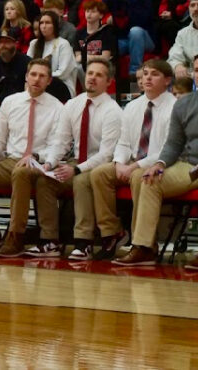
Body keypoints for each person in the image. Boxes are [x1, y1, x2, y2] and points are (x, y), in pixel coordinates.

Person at [0, 59, 64, 256]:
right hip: (10, 160)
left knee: (21, 172)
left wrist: (37, 156)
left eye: (42, 76)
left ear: (49, 81)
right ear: (26, 76)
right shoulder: (10, 102)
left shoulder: (57, 108)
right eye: (33, 74)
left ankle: (16, 236)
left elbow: (57, 146)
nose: (36, 79)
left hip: (39, 163)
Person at [116, 53, 198, 269]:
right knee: (149, 179)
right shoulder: (183, 105)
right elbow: (174, 144)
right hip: (189, 165)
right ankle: (144, 247)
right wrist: (159, 165)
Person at [32, 60, 123, 260]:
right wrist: (49, 163)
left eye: (99, 75)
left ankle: (84, 242)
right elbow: (61, 141)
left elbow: (106, 154)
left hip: (101, 165)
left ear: (109, 82)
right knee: (44, 180)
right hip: (76, 161)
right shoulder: (73, 104)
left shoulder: (113, 111)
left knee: (82, 181)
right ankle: (49, 240)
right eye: (90, 73)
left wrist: (77, 169)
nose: (92, 77)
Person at [88, 59, 175, 261]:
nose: (148, 78)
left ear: (167, 80)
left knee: (138, 176)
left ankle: (142, 244)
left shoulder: (174, 107)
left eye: (154, 74)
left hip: (157, 163)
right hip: (132, 160)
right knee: (99, 173)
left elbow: (166, 149)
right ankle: (112, 232)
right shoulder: (133, 106)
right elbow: (124, 141)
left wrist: (134, 166)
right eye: (145, 74)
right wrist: (119, 162)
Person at [103, 0, 157, 82]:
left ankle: (134, 72)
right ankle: (109, 78)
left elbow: (142, 20)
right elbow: (97, 8)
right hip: (124, 41)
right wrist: (106, 18)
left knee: (135, 31)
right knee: (109, 44)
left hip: (145, 38)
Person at [29, 11, 79, 99]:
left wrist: (42, 77)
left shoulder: (63, 44)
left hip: (60, 85)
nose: (44, 26)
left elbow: (63, 73)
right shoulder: (34, 43)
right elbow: (28, 67)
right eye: (41, 23)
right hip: (38, 83)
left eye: (47, 23)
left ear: (55, 26)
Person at [167, 0, 198, 79]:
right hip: (189, 77)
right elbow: (174, 56)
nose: (196, 9)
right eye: (192, 5)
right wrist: (177, 66)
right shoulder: (183, 33)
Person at [74, 0, 118, 74]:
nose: (89, 14)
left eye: (93, 12)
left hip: (102, 66)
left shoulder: (106, 32)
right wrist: (92, 57)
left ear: (101, 15)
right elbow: (77, 57)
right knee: (77, 67)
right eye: (87, 11)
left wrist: (85, 57)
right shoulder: (79, 33)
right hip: (85, 66)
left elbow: (105, 58)